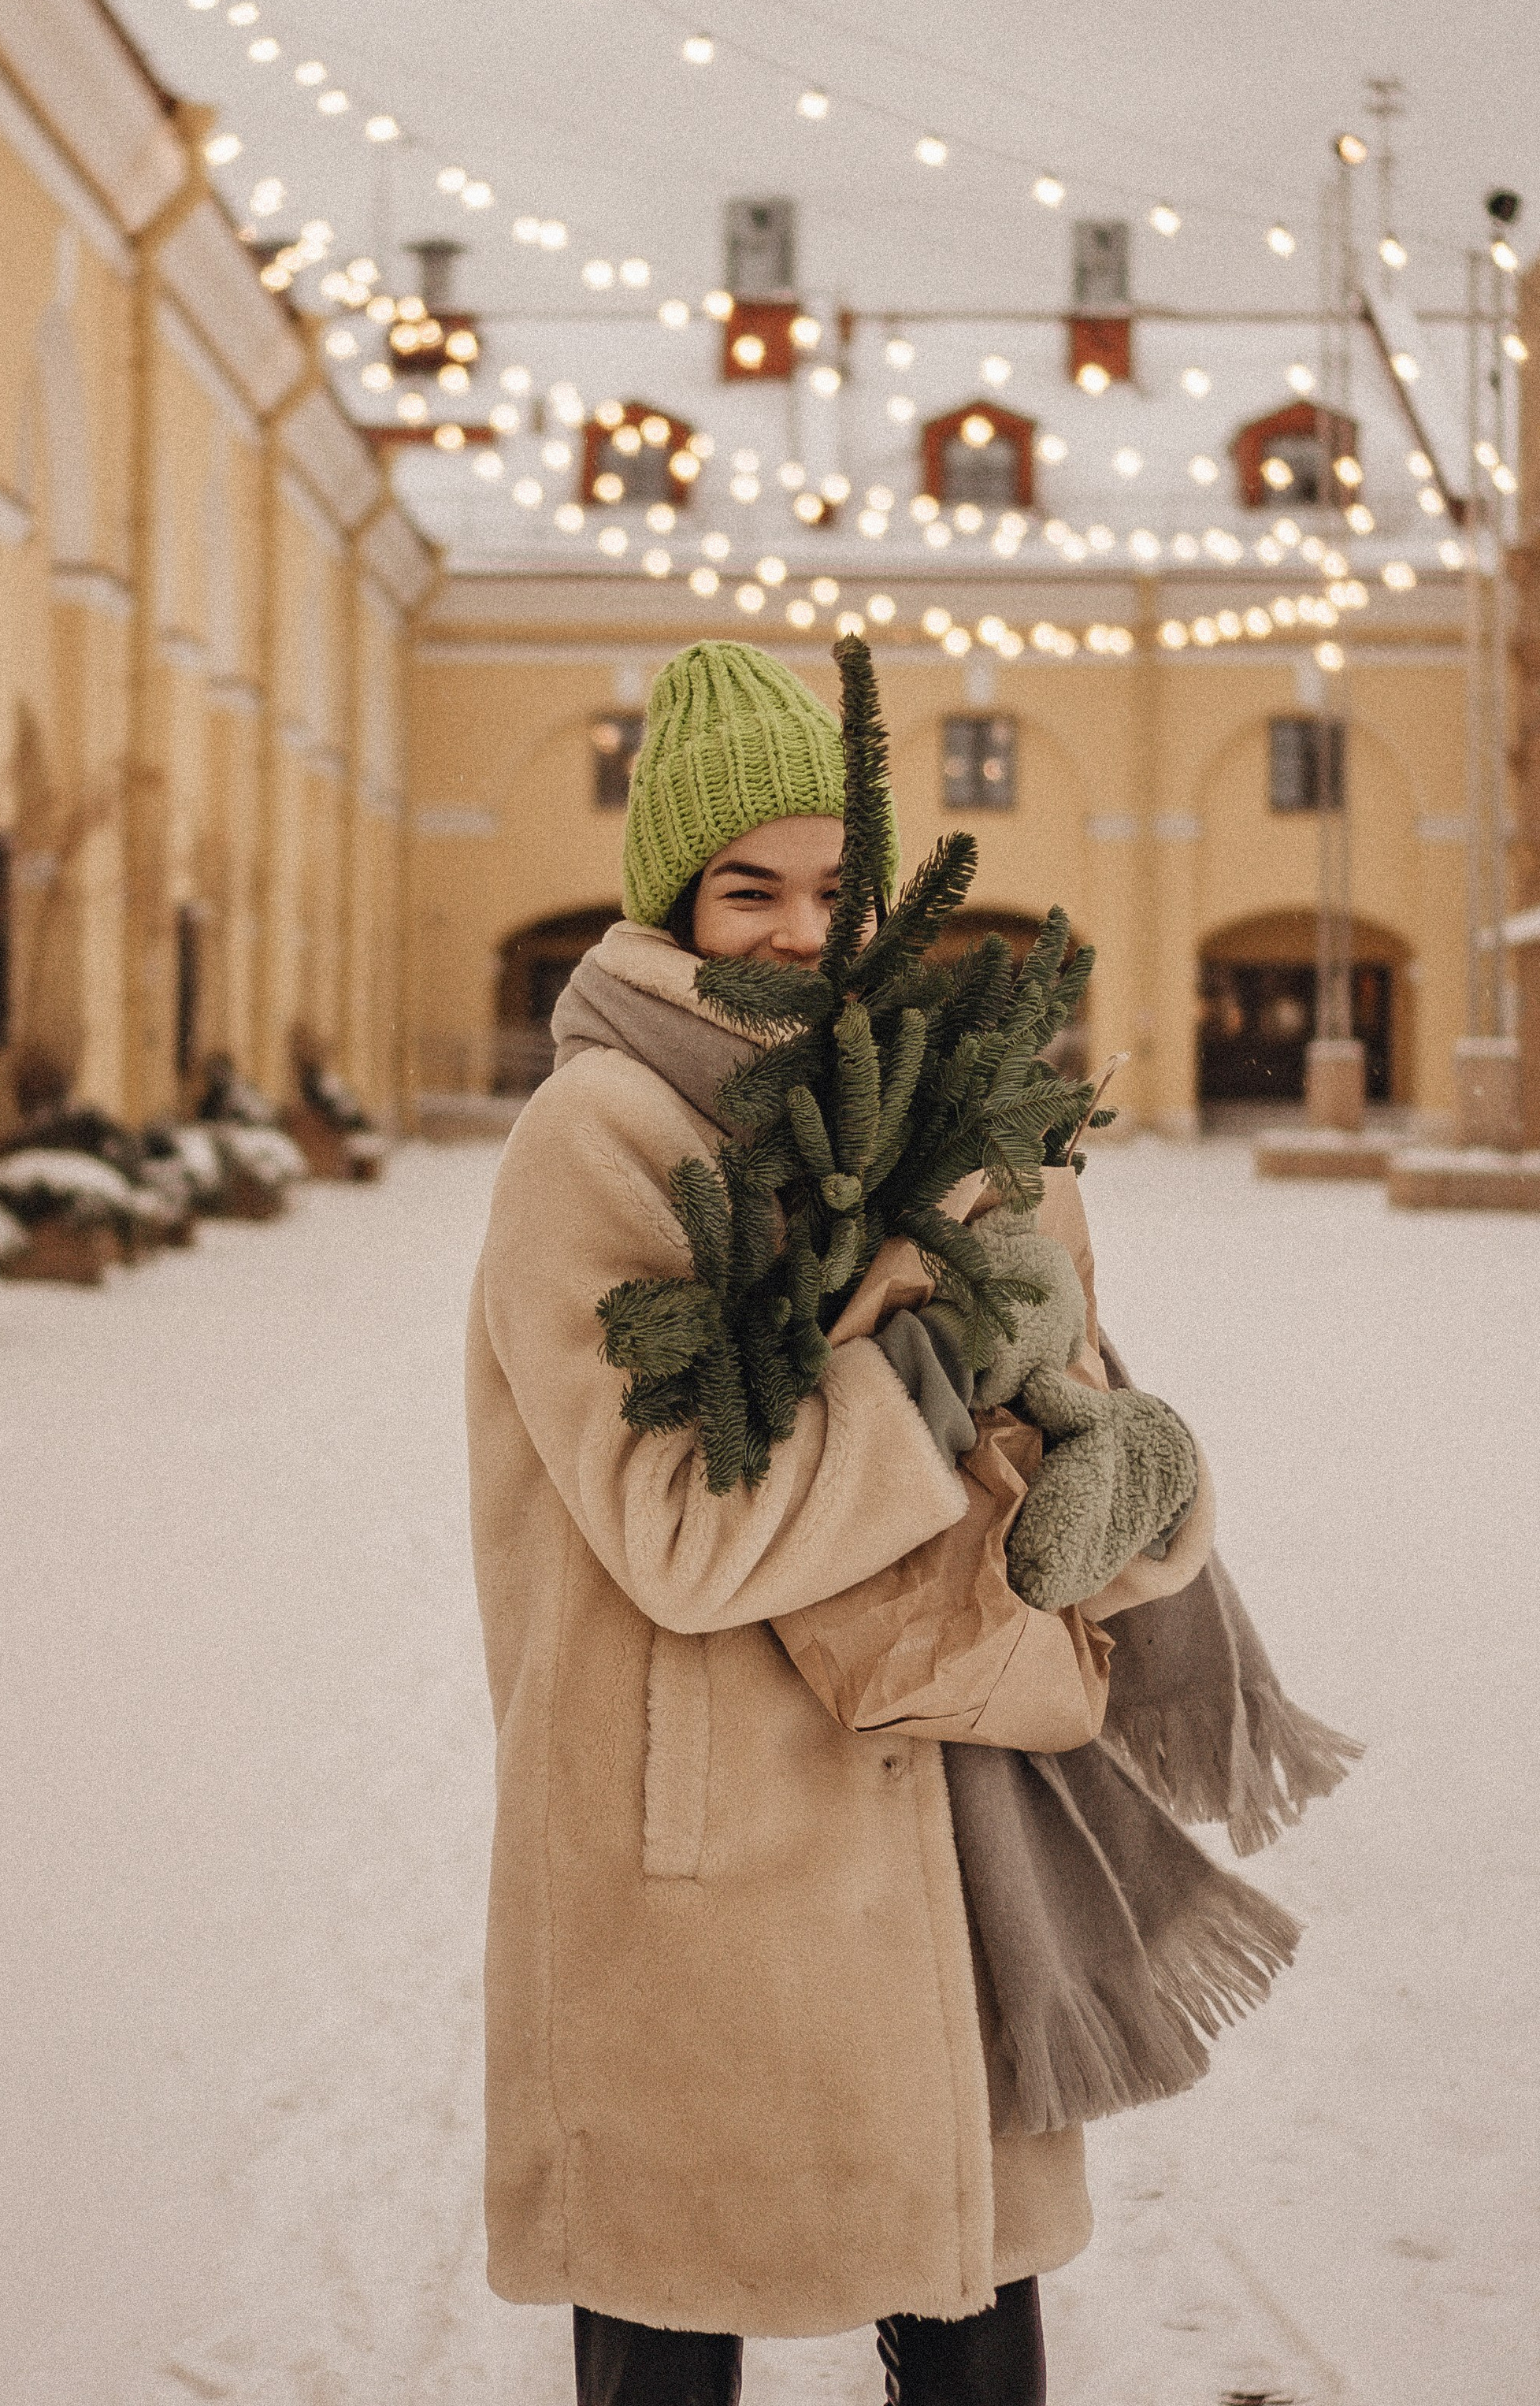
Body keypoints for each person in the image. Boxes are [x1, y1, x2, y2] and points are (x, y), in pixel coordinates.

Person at [464, 641, 1204, 2405]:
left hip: (945, 1831)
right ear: (673, 898)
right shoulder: (599, 1138)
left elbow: (1081, 1431)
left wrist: (1116, 1469)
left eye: (833, 886)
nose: (801, 932)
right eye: (749, 890)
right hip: (694, 1859)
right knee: (666, 2318)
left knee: (972, 2323)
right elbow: (679, 1537)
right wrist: (898, 1348)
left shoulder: (946, 1111)